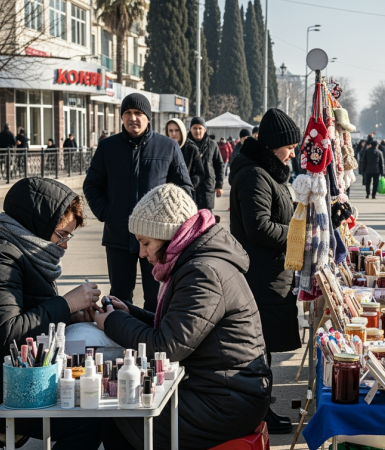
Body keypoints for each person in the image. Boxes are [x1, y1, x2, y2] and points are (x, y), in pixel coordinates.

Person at [94, 184, 271, 449]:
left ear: (169, 237)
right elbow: (180, 328)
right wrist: (130, 313)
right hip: (224, 391)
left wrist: (111, 322)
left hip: (226, 402)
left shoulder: (203, 272)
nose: (141, 253)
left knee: (118, 413)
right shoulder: (199, 260)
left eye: (146, 243)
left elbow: (168, 346)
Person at [0, 177, 103, 449]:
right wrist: (66, 304)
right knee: (86, 420)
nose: (64, 245)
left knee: (91, 402)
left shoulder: (23, 252)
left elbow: (29, 316)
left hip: (14, 379)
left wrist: (73, 315)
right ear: (38, 225)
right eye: (61, 235)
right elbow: (7, 334)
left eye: (68, 236)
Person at [83, 93, 192, 312]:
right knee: (119, 296)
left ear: (148, 117)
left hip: (156, 239)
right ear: (122, 117)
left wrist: (169, 225)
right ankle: (120, 336)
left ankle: (154, 341)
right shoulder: (107, 148)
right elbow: (92, 185)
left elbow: (184, 190)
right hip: (118, 236)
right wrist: (106, 212)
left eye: (139, 113)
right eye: (128, 113)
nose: (133, 118)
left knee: (156, 296)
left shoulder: (168, 147)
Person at [228, 108, 301, 434]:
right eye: (290, 146)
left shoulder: (269, 172)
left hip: (272, 273)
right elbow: (258, 227)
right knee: (259, 350)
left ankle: (261, 410)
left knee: (264, 349)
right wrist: (297, 235)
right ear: (275, 145)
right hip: (260, 275)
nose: (294, 152)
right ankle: (258, 413)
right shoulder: (255, 175)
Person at [186, 117, 225, 211]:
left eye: (200, 128)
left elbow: (219, 165)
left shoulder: (212, 145)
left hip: (207, 187)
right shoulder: (186, 144)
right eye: (194, 128)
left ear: (205, 130)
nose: (197, 131)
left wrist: (219, 185)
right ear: (190, 129)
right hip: (190, 186)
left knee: (207, 217)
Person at [165, 118, 206, 202]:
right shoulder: (163, 148)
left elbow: (199, 172)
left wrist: (189, 186)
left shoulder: (192, 148)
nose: (173, 134)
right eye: (170, 130)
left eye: (177, 130)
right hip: (165, 195)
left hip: (185, 195)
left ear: (182, 131)